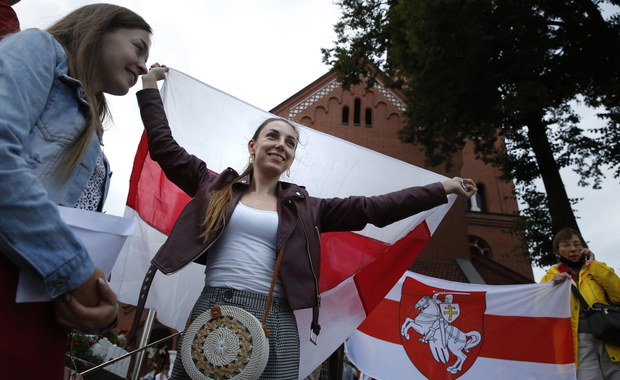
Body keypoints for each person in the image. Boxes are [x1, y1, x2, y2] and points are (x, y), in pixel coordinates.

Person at [137, 64, 477, 379]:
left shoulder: (309, 209)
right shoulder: (214, 187)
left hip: (276, 316)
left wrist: (442, 188)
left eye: (290, 143)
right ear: (253, 146)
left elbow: (375, 208)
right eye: (272, 136)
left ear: (291, 159)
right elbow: (165, 148)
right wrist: (149, 88)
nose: (280, 145)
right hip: (214, 305)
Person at [0, 4, 151, 379]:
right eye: (138, 47)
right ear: (99, 29)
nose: (144, 65)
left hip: (43, 314)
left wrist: (100, 309)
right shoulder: (38, 48)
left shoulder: (95, 135)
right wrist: (77, 273)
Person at [541, 228, 620, 379]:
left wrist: (595, 265)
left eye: (577, 244)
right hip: (578, 341)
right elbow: (540, 311)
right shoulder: (550, 277)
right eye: (566, 245)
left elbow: (618, 296)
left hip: (609, 335)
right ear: (557, 251)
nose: (573, 249)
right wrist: (551, 286)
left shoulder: (596, 269)